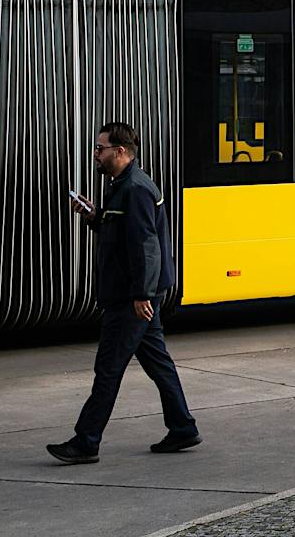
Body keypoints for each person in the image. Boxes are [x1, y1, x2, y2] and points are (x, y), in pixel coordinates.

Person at [47, 121, 201, 463]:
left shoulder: (135, 189)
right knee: (159, 364)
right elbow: (120, 230)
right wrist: (93, 215)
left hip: (130, 299)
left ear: (120, 151)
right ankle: (183, 428)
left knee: (109, 369)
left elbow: (146, 246)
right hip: (134, 293)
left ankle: (86, 442)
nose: (95, 155)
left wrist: (142, 295)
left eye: (100, 149)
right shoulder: (122, 186)